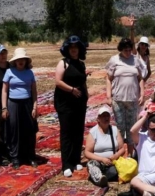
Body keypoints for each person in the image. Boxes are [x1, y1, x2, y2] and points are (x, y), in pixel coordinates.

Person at [54, 35, 89, 177]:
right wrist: (72, 90)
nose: (74, 50)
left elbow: (83, 82)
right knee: (67, 133)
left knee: (78, 132)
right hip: (65, 103)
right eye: (71, 47)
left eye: (76, 47)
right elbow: (58, 81)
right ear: (67, 49)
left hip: (79, 103)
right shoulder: (63, 63)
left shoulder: (81, 64)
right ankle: (66, 164)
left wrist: (86, 96)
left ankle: (76, 160)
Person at [106, 38, 146, 150]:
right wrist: (108, 96)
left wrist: (142, 94)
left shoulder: (135, 60)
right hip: (118, 100)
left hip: (132, 99)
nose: (128, 52)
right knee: (120, 127)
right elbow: (108, 79)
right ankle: (119, 151)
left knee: (132, 127)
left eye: (129, 50)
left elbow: (140, 79)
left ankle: (131, 153)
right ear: (121, 49)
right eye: (125, 50)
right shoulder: (114, 60)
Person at [2, 48, 38, 169]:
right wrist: (4, 108)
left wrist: (35, 106)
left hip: (27, 103)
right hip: (13, 103)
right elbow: (4, 91)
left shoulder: (30, 73)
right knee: (14, 130)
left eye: (22, 59)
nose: (20, 62)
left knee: (29, 130)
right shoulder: (9, 72)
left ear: (26, 61)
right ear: (15, 61)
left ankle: (30, 157)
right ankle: (15, 157)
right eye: (18, 60)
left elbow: (34, 90)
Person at [85, 105, 125, 187]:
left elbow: (122, 148)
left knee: (118, 169)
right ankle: (100, 178)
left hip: (112, 162)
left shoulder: (114, 130)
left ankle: (104, 176)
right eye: (103, 116)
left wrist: (116, 155)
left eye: (107, 116)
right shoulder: (93, 132)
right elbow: (87, 152)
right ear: (98, 119)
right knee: (91, 164)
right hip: (98, 162)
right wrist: (102, 159)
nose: (106, 118)